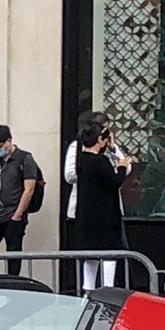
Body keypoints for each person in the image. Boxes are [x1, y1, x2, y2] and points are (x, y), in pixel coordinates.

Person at [61, 111, 130, 289]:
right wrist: (119, 169)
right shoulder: (97, 159)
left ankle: (88, 290)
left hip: (87, 212)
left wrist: (114, 151)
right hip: (103, 213)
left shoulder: (85, 159)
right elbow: (115, 180)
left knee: (91, 255)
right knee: (108, 253)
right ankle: (107, 290)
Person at [0, 124, 43, 274]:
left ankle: (12, 285)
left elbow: (29, 189)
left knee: (13, 253)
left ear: (9, 140)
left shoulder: (24, 159)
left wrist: (17, 216)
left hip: (12, 214)